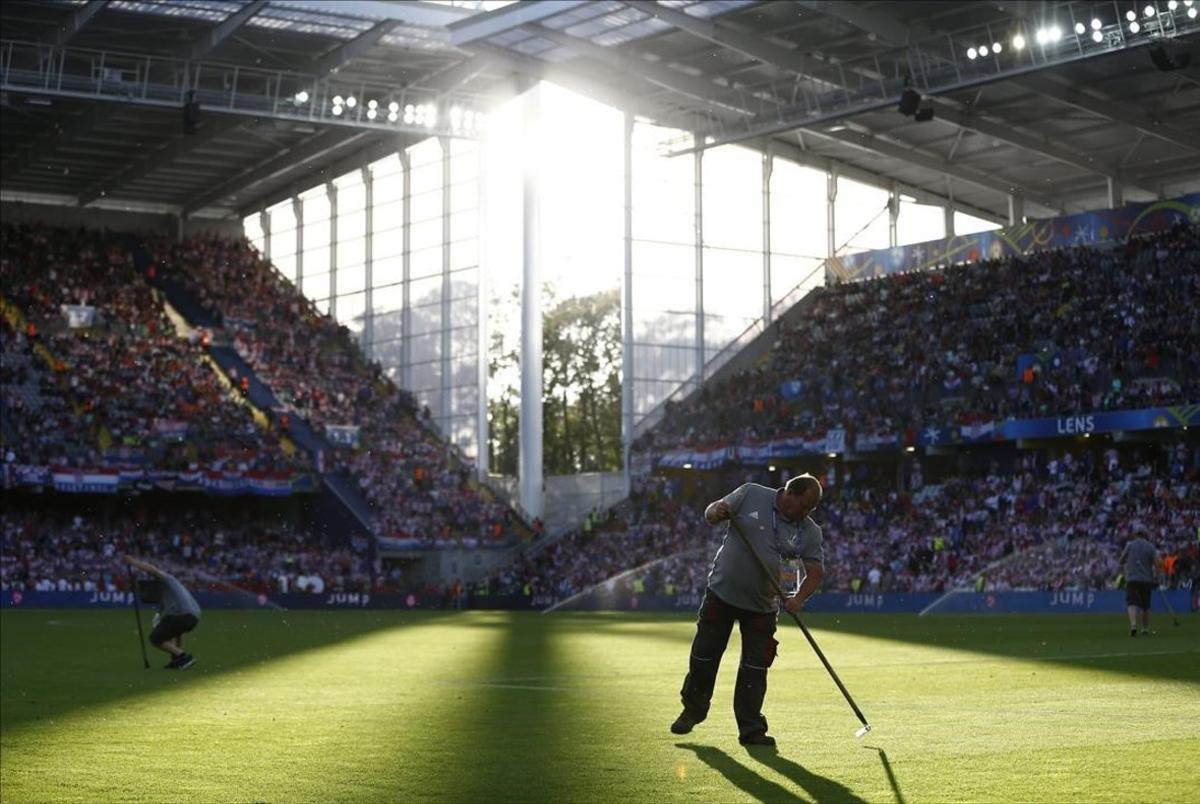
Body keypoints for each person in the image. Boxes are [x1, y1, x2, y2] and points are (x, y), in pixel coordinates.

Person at [670, 473, 824, 748]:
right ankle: (693, 710)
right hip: (722, 593)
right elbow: (711, 513)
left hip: (763, 606)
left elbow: (814, 571)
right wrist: (716, 511)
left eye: (811, 509)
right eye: (804, 506)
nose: (806, 513)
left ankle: (751, 730)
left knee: (755, 668)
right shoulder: (751, 493)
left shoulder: (810, 530)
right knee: (704, 655)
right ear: (790, 492)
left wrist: (798, 599)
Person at [125, 555, 201, 669]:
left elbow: (152, 569)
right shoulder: (172, 590)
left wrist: (133, 562)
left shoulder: (167, 579)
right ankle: (177, 659)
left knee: (155, 638)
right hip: (193, 617)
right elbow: (164, 618)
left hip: (182, 614)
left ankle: (183, 657)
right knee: (175, 631)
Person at [1118, 536, 1159, 637]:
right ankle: (1145, 628)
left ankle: (1133, 625)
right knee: (1146, 605)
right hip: (1146, 580)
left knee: (1131, 602)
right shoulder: (1150, 547)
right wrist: (1156, 578)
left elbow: (1121, 560)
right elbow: (1156, 563)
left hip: (1132, 579)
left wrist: (1129, 561)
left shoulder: (1130, 545)